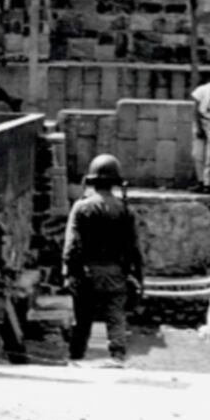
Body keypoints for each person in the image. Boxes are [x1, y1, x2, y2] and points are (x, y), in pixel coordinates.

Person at [63, 154, 143, 365]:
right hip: (115, 271)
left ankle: (76, 356)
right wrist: (138, 277)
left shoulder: (82, 207)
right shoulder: (125, 210)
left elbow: (72, 245)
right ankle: (117, 355)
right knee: (115, 316)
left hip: (87, 272)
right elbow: (134, 248)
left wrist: (69, 271)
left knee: (82, 318)